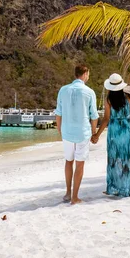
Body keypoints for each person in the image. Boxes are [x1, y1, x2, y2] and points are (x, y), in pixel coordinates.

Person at [91, 73, 130, 197]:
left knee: (114, 158)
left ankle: (115, 187)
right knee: (128, 157)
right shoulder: (129, 98)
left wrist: (97, 134)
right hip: (127, 129)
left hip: (114, 131)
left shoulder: (109, 100)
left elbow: (106, 119)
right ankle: (128, 186)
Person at [56, 64, 99, 205]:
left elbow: (59, 113)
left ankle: (68, 193)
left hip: (67, 132)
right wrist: (94, 133)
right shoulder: (89, 92)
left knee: (68, 161)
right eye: (88, 74)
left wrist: (60, 130)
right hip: (83, 132)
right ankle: (75, 197)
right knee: (80, 164)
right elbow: (94, 115)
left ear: (75, 74)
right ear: (85, 74)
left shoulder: (63, 90)